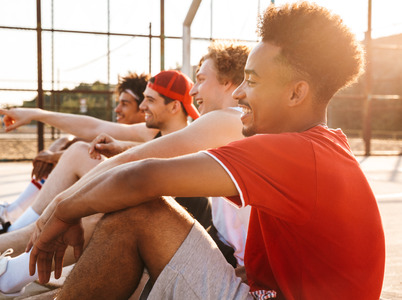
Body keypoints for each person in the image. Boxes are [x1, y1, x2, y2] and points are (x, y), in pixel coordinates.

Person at [26, 3, 385, 299]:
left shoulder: (296, 151)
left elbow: (143, 175)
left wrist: (63, 210)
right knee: (134, 221)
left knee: (139, 212)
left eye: (253, 81)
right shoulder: (321, 147)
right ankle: (10, 272)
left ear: (296, 93)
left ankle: (2, 271)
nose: (241, 93)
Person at [0, 41, 252, 299]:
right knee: (108, 189)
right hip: (221, 251)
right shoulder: (233, 125)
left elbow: (137, 170)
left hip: (224, 259)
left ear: (228, 82)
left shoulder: (230, 120)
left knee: (125, 201)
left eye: (200, 78)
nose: (195, 88)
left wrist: (61, 208)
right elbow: (117, 144)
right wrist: (37, 114)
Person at [0, 72, 151, 234]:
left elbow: (129, 153)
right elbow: (92, 127)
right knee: (68, 143)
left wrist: (54, 156)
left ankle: (15, 220)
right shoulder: (140, 130)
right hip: (119, 187)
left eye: (125, 104)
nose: (117, 109)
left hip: (130, 198)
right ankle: (15, 217)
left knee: (77, 152)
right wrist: (37, 116)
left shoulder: (155, 133)